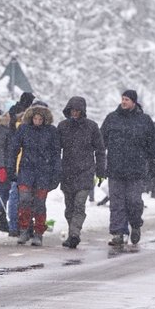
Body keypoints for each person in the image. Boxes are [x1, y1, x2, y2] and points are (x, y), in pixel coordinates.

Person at [100, 90, 155, 250]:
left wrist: (153, 165)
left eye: (127, 99)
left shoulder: (144, 120)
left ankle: (136, 224)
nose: (124, 102)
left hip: (136, 169)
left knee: (134, 201)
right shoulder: (112, 118)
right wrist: (100, 162)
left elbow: (152, 146)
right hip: (115, 168)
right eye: (122, 99)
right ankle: (118, 233)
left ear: (134, 102)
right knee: (116, 203)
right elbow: (101, 141)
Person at [10, 102, 61, 247]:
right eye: (35, 119)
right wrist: (10, 168)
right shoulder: (24, 129)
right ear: (31, 118)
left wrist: (56, 174)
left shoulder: (51, 131)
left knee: (39, 203)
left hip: (44, 172)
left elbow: (56, 154)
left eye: (40, 119)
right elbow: (14, 149)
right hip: (26, 169)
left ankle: (38, 232)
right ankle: (24, 229)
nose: (37, 122)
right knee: (24, 200)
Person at [57, 97, 105, 248]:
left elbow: (100, 150)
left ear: (82, 111)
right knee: (69, 207)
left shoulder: (91, 127)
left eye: (77, 110)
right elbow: (55, 149)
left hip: (85, 171)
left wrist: (100, 170)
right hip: (67, 171)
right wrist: (55, 168)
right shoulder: (62, 126)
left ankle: (74, 234)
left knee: (79, 205)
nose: (75, 113)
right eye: (72, 110)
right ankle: (73, 231)